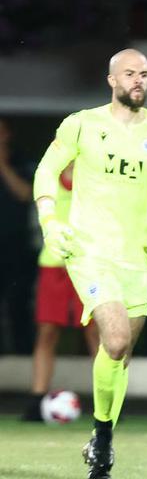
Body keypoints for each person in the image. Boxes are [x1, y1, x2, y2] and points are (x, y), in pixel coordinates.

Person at [32, 48, 147, 479]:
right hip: (90, 252)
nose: (138, 80)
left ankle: (101, 438)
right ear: (111, 80)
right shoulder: (82, 124)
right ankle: (102, 438)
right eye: (129, 74)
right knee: (117, 338)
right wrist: (50, 220)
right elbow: (47, 171)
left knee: (118, 357)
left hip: (138, 258)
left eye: (144, 74)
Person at [21, 164, 100, 422]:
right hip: (53, 265)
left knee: (95, 332)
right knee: (47, 332)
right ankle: (37, 399)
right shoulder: (47, 177)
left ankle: (107, 402)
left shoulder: (95, 177)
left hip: (87, 264)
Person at [0, 119, 36, 355]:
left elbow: (26, 194)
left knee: (18, 304)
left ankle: (23, 356)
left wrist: (2, 164)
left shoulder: (20, 161)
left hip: (16, 245)